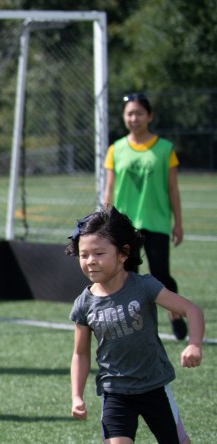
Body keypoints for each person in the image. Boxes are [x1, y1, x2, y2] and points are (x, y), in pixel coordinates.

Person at [67, 206, 203, 444]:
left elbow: (191, 310)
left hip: (153, 387)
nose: (90, 261)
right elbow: (80, 354)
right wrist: (77, 395)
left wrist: (193, 344)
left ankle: (178, 436)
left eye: (99, 253)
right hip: (115, 392)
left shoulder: (144, 287)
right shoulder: (84, 304)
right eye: (84, 254)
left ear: (124, 253)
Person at [103, 92, 187, 340]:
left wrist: (178, 223)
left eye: (139, 113)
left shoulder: (165, 149)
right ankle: (133, 326)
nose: (134, 118)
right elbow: (109, 189)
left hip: (156, 222)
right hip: (124, 225)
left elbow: (173, 188)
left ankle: (175, 313)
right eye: (129, 113)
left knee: (161, 275)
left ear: (149, 116)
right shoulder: (115, 149)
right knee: (128, 277)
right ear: (124, 117)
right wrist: (105, 220)